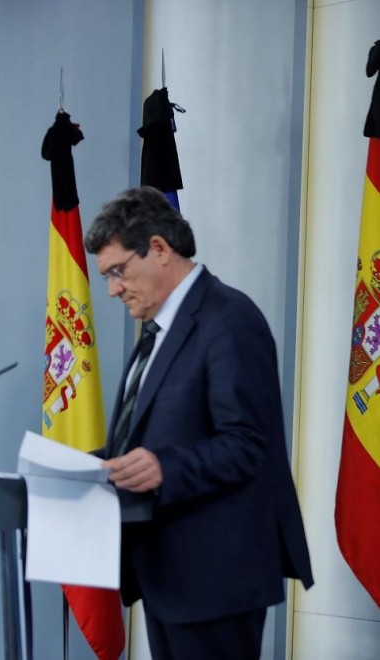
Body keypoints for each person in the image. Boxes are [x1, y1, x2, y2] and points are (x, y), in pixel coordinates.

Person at [83, 187, 313, 660]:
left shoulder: (229, 319)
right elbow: (140, 436)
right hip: (169, 573)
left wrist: (163, 467)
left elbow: (249, 443)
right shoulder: (160, 330)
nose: (112, 289)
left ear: (160, 249)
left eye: (118, 272)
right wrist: (71, 467)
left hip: (217, 578)